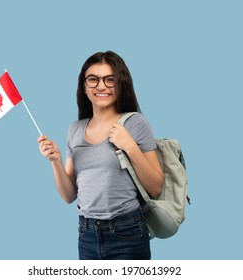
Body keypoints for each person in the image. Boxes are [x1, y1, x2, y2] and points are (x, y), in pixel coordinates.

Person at [37, 51, 163, 260]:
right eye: (93, 79)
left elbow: (156, 186)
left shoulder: (135, 123)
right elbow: (69, 196)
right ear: (84, 87)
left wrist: (129, 146)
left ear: (120, 84)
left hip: (128, 233)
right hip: (87, 234)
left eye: (109, 79)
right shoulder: (75, 129)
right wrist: (56, 162)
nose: (101, 86)